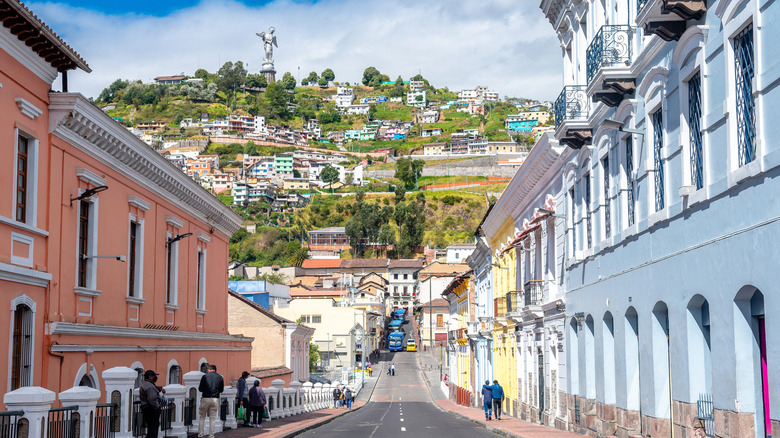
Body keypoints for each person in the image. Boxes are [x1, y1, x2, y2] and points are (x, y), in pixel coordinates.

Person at [198, 364, 224, 438]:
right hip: (215, 399)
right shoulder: (220, 377)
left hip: (205, 398)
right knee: (212, 418)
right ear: (216, 370)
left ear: (209, 370)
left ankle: (200, 434)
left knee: (202, 417)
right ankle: (211, 435)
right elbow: (221, 390)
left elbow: (200, 388)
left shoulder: (205, 376)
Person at [139, 370, 163, 438]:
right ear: (150, 377)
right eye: (154, 376)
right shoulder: (150, 386)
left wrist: (160, 388)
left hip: (147, 408)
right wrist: (157, 407)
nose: (155, 377)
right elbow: (152, 399)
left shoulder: (145, 384)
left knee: (151, 427)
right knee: (153, 428)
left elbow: (153, 388)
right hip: (151, 409)